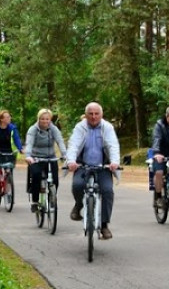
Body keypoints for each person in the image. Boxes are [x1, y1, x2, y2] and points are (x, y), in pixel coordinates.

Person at [65, 102, 121, 240]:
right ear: (86, 115)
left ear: (101, 115)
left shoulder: (107, 127)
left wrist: (114, 162)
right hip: (82, 165)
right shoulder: (80, 127)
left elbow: (113, 145)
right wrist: (71, 161)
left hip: (103, 167)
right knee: (77, 186)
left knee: (107, 191)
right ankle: (78, 205)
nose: (94, 117)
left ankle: (104, 225)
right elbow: (73, 145)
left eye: (97, 114)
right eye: (91, 114)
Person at [24, 109, 67, 211]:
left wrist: (65, 154)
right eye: (42, 119)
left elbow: (60, 141)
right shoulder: (33, 129)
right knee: (36, 176)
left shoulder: (54, 129)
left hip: (50, 157)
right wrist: (28, 156)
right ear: (38, 119)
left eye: (47, 119)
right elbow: (29, 144)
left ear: (50, 119)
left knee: (55, 179)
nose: (45, 121)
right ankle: (35, 201)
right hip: (36, 158)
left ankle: (52, 197)